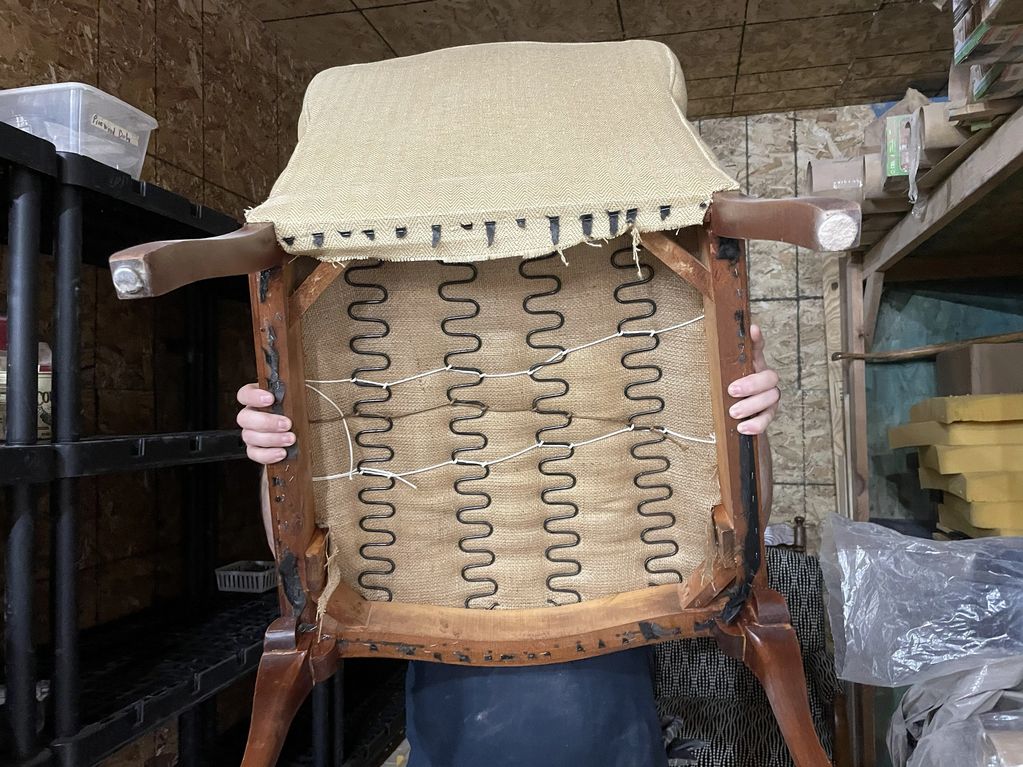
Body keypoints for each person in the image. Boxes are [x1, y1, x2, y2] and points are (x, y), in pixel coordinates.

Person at [237, 324, 781, 767]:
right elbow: (297, 558)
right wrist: (277, 458)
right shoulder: (422, 532)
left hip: (620, 740)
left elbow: (745, 527)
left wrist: (748, 434)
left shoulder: (613, 508)